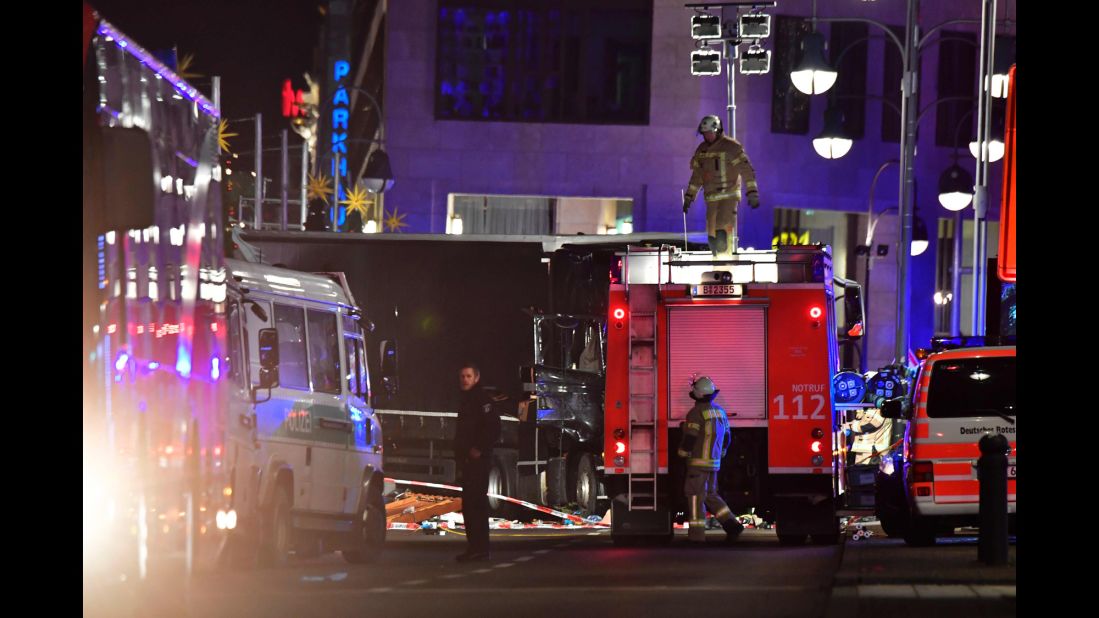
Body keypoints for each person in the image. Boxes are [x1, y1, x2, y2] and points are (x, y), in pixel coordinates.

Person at [677, 375, 743, 542]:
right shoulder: (720, 411)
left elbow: (691, 437)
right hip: (714, 463)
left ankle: (696, 536)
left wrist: (682, 453)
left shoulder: (695, 412)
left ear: (697, 394)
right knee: (711, 495)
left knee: (695, 497)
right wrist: (722, 452)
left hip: (697, 464)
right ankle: (732, 525)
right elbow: (727, 436)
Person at [683, 115, 760, 257]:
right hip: (711, 199)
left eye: (709, 133)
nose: (707, 136)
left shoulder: (731, 146)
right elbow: (697, 176)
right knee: (712, 237)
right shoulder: (702, 150)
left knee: (722, 232)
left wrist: (752, 191)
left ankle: (726, 264)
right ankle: (717, 263)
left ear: (717, 130)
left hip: (728, 197)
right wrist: (689, 196)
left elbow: (746, 169)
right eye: (704, 134)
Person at [453, 363, 501, 562]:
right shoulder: (466, 401)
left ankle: (480, 548)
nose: (465, 380)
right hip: (467, 461)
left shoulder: (482, 400)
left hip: (478, 462)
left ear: (476, 378)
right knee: (469, 506)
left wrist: (479, 449)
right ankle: (474, 547)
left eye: (468, 376)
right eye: (462, 376)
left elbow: (493, 428)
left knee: (477, 506)